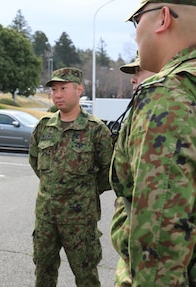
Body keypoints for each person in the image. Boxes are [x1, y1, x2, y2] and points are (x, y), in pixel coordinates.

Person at [110, 1, 196, 285]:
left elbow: (159, 239)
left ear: (162, 18)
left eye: (137, 21)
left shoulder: (169, 96)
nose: (136, 36)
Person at [29, 67, 113, 287]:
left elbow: (108, 171)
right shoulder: (43, 127)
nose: (57, 94)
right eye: (54, 89)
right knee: (44, 270)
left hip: (80, 219)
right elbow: (35, 162)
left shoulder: (96, 130)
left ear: (79, 90)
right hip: (47, 216)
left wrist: (84, 191)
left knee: (86, 274)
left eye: (63, 88)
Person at [110, 55, 156, 286]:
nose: (133, 79)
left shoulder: (161, 120)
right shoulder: (139, 116)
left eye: (140, 71)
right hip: (131, 258)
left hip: (148, 263)